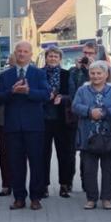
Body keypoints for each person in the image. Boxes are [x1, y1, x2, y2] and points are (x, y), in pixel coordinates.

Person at [0, 41, 50, 210]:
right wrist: (11, 91)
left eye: (25, 51)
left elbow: (46, 95)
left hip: (34, 126)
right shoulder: (5, 75)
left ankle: (35, 197)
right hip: (13, 127)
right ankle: (19, 197)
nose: (22, 54)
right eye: (19, 51)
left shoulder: (38, 74)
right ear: (15, 53)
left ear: (31, 54)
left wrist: (28, 92)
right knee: (16, 163)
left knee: (36, 162)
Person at [73, 61, 111, 209]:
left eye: (99, 73)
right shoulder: (82, 90)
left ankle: (107, 199)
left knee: (108, 169)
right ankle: (91, 198)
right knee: (89, 169)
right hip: (88, 136)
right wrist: (89, 112)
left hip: (109, 136)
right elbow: (75, 106)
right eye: (93, 73)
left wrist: (103, 113)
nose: (96, 76)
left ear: (106, 75)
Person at [38, 46, 77, 203]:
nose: (53, 58)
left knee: (65, 153)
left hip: (63, 120)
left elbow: (73, 95)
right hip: (43, 119)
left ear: (60, 59)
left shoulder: (67, 74)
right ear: (46, 58)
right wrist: (44, 96)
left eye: (55, 56)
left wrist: (63, 98)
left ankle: (64, 185)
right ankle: (44, 186)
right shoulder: (39, 74)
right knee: (43, 155)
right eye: (50, 56)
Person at [63, 42, 101, 197]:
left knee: (89, 151)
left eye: (90, 53)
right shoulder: (74, 71)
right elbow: (73, 92)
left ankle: (88, 183)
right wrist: (79, 70)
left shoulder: (101, 70)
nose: (87, 56)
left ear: (96, 54)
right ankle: (69, 181)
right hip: (76, 116)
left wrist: (92, 69)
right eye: (85, 53)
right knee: (71, 151)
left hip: (95, 117)